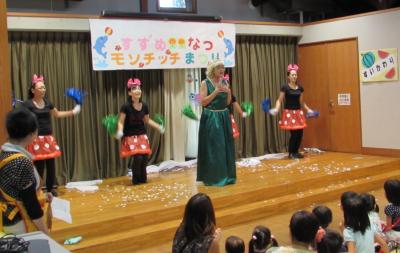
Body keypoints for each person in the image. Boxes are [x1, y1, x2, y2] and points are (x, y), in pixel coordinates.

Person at [23, 74, 81, 196]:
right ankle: (37, 190)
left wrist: (73, 111)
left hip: (48, 139)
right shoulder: (28, 105)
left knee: (51, 166)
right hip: (35, 139)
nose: (43, 90)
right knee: (39, 167)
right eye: (40, 88)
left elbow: (57, 114)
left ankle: (50, 189)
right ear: (33, 90)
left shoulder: (48, 103)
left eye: (44, 87)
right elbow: (23, 120)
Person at [0, 108, 52, 235]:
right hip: (21, 223)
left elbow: (14, 189)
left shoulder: (4, 152)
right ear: (33, 134)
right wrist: (45, 233)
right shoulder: (21, 162)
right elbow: (31, 205)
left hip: (7, 217)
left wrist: (43, 197)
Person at [116, 78, 164, 185]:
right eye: (134, 89)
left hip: (142, 135)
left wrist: (158, 126)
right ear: (129, 93)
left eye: (138, 88)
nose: (137, 90)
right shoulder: (126, 107)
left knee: (144, 157)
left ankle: (143, 179)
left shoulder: (144, 106)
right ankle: (136, 180)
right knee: (138, 157)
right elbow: (120, 122)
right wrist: (120, 131)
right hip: (130, 136)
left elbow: (147, 120)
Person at [197, 60, 236, 186]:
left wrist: (228, 92)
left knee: (225, 147)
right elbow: (203, 102)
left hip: (223, 116)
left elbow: (227, 102)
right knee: (214, 148)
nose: (222, 70)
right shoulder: (205, 83)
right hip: (211, 117)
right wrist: (216, 91)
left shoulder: (225, 82)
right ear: (213, 69)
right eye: (219, 67)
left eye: (223, 68)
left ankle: (226, 176)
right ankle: (213, 177)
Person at [270, 64, 314, 159]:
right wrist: (276, 108)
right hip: (289, 114)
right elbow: (279, 100)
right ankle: (291, 153)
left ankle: (296, 152)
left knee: (300, 134)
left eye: (295, 75)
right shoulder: (285, 87)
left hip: (298, 113)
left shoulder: (300, 88)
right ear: (288, 76)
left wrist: (308, 109)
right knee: (294, 134)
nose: (294, 76)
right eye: (292, 75)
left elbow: (302, 102)